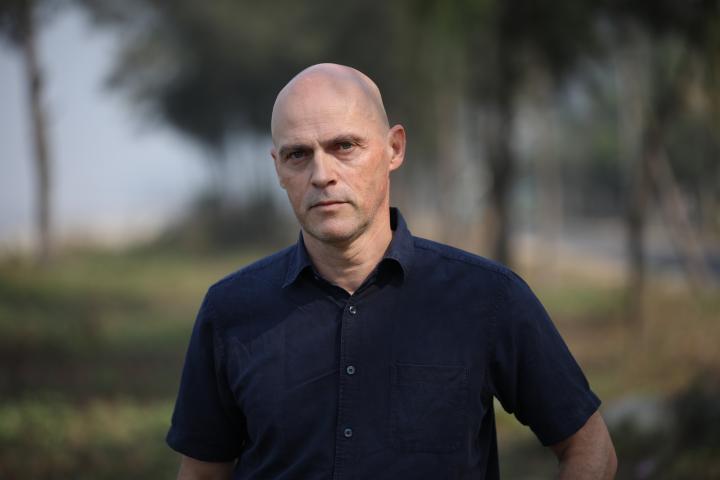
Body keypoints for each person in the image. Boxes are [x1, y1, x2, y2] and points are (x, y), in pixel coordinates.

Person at [167, 63, 617, 480]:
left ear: (393, 148)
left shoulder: (487, 298)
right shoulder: (230, 311)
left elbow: (589, 446)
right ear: (278, 169)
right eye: (298, 155)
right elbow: (203, 473)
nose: (322, 174)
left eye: (344, 146)